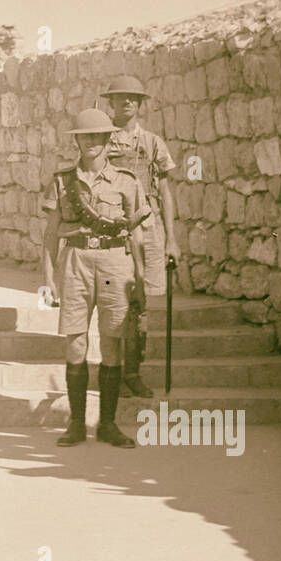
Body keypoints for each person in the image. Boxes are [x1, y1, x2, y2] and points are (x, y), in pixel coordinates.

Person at [41, 108, 150, 447]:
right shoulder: (62, 181)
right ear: (77, 141)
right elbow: (50, 234)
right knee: (75, 340)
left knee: (112, 339)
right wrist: (48, 278)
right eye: (83, 137)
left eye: (96, 136)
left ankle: (107, 423)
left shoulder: (126, 181)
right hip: (76, 262)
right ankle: (76, 423)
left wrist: (140, 281)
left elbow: (137, 235)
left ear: (107, 139)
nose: (89, 142)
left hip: (112, 266)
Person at [99, 75, 179, 398]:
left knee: (141, 301)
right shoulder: (101, 139)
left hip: (148, 226)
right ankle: (112, 370)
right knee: (114, 297)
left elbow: (164, 190)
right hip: (115, 226)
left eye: (133, 97)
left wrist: (172, 238)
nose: (127, 102)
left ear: (140, 103)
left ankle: (133, 372)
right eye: (120, 98)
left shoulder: (152, 143)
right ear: (111, 103)